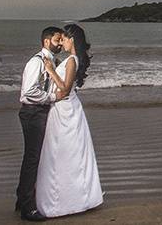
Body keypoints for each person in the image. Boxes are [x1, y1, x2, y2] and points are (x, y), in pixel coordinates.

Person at [36, 23, 104, 218]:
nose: (62, 43)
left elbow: (64, 90)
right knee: (67, 153)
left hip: (65, 109)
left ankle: (66, 200)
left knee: (62, 152)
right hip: (66, 109)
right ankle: (75, 197)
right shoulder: (72, 59)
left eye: (64, 39)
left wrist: (50, 70)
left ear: (71, 39)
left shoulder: (72, 60)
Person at [16, 26, 63, 222]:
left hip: (40, 111)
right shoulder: (36, 62)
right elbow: (28, 92)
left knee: (35, 157)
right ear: (46, 41)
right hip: (32, 113)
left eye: (61, 40)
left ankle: (21, 199)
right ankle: (28, 208)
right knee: (33, 158)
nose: (60, 43)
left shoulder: (53, 61)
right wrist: (52, 97)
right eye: (57, 40)